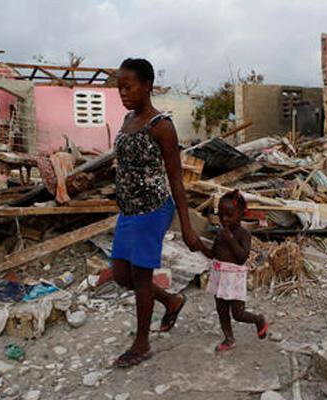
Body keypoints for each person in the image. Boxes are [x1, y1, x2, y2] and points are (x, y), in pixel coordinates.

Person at [110, 58, 202, 368]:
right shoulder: (126, 121)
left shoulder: (161, 125)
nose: (122, 92)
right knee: (122, 275)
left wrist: (187, 227)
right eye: (119, 87)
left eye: (128, 86)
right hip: (129, 209)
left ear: (147, 85)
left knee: (140, 273)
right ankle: (172, 300)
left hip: (153, 208)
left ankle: (141, 343)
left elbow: (176, 177)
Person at [200, 190, 268, 352]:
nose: (224, 219)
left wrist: (229, 237)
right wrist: (199, 246)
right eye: (221, 215)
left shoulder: (243, 234)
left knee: (238, 313)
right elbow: (213, 254)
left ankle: (259, 320)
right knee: (222, 310)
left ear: (240, 215)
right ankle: (229, 338)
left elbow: (241, 257)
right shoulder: (220, 233)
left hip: (234, 277)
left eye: (229, 215)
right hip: (219, 275)